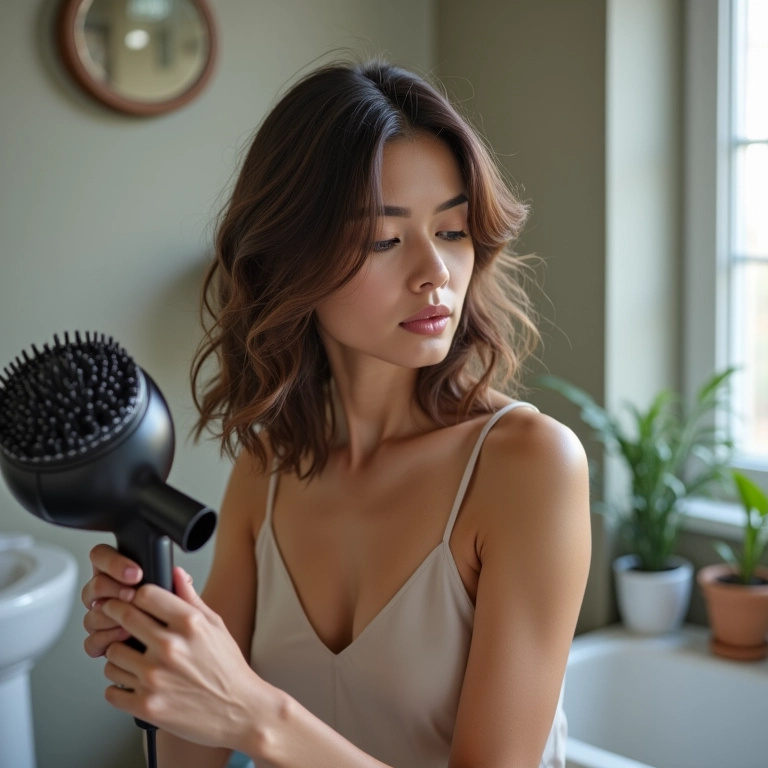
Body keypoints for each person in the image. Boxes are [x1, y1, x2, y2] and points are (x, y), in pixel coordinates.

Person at [80, 53, 592, 768]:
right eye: (383, 239)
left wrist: (257, 716)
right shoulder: (270, 467)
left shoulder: (527, 467)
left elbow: (251, 719)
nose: (434, 274)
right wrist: (169, 652)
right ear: (291, 261)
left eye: (452, 231)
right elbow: (188, 760)